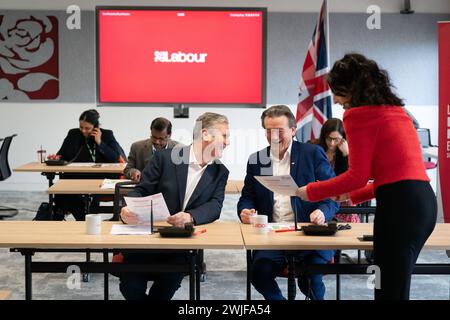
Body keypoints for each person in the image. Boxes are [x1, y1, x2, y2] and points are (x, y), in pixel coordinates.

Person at [295, 53, 437, 300]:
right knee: (393, 286)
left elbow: (357, 176)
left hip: (400, 206)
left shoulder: (357, 116)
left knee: (389, 290)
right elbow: (394, 175)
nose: (337, 101)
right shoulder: (397, 111)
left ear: (349, 88)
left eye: (338, 93)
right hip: (422, 203)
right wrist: (349, 196)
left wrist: (311, 190)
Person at [119, 112, 230, 300]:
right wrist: (127, 208)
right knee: (130, 287)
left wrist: (191, 216)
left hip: (179, 245)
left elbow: (215, 205)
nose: (228, 142)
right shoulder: (165, 158)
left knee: (165, 288)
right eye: (225, 135)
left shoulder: (220, 171)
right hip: (147, 239)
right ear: (205, 135)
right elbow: (141, 190)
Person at [237, 105, 339, 300]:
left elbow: (332, 195)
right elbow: (247, 196)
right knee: (259, 273)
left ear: (293, 130)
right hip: (272, 236)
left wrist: (322, 213)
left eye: (279, 131)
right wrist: (245, 209)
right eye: (268, 131)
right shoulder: (257, 159)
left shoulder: (313, 154)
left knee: (309, 279)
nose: (273, 136)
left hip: (310, 234)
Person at [50, 109, 125, 220]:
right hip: (76, 176)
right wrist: (56, 158)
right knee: (62, 191)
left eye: (87, 128)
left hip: (101, 177)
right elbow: (62, 154)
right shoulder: (73, 134)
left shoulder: (107, 135)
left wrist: (100, 142)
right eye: (81, 127)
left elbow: (115, 158)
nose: (83, 131)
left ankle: (87, 219)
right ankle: (82, 219)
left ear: (95, 127)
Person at [311, 118, 360, 223]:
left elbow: (350, 179)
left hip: (341, 198)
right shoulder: (316, 149)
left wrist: (346, 155)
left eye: (336, 139)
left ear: (343, 138)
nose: (332, 143)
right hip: (321, 197)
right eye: (329, 138)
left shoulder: (349, 151)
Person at [124, 117, 181, 182]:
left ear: (169, 135)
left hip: (170, 190)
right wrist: (132, 172)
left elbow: (184, 175)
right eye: (154, 137)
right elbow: (127, 170)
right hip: (144, 189)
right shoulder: (137, 147)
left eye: (161, 139)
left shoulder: (179, 149)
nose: (157, 141)